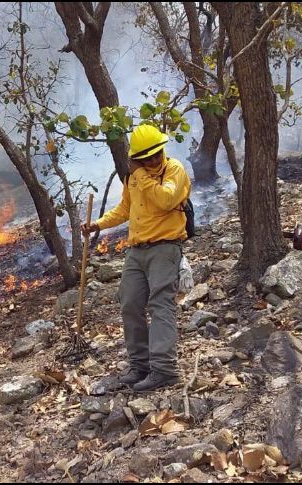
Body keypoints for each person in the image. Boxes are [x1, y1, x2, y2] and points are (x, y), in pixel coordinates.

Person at [82, 124, 191, 392]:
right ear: (137, 158)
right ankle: (140, 366)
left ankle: (164, 369)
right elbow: (125, 210)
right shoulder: (133, 179)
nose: (155, 159)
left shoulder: (173, 169)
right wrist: (98, 224)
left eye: (158, 154)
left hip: (165, 249)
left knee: (160, 305)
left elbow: (166, 200)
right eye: (148, 157)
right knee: (130, 303)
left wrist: (140, 174)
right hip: (137, 250)